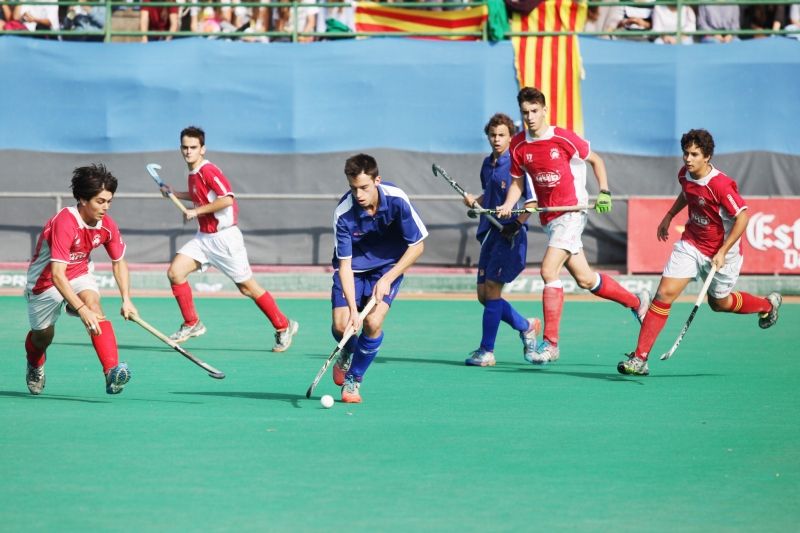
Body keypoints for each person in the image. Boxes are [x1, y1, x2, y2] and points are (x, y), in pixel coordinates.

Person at [497, 86, 650, 365]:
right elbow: (518, 182)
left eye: (534, 111)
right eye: (525, 112)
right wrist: (509, 204)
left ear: (545, 110)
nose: (530, 117)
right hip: (550, 218)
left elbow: (596, 160)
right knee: (586, 279)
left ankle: (551, 344)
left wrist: (604, 191)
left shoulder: (563, 137)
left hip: (572, 211)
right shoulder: (519, 145)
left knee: (548, 270)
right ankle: (637, 302)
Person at [618, 129, 782, 376]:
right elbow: (687, 193)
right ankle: (640, 359)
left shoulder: (721, 185)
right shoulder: (685, 174)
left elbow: (743, 218)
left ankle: (766, 305)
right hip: (692, 244)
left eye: (694, 154)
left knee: (719, 303)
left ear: (707, 157)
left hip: (722, 252)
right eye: (686, 153)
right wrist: (669, 215)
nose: (688, 159)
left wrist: (724, 251)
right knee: (663, 294)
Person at [158, 126, 298, 351]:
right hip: (204, 238)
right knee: (175, 272)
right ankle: (192, 323)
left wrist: (195, 212)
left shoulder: (208, 170)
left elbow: (227, 199)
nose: (188, 151)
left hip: (225, 239)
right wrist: (174, 193)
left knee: (247, 288)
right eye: (184, 147)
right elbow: (199, 196)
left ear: (202, 149)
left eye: (193, 147)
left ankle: (283, 325)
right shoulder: (193, 173)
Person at [24, 164, 137, 396]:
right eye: (100, 201)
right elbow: (57, 274)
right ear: (83, 199)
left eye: (109, 201)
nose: (106, 207)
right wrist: (80, 308)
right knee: (43, 337)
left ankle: (111, 373)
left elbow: (119, 262)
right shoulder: (65, 222)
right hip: (45, 282)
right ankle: (35, 363)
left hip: (79, 274)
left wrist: (126, 299)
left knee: (95, 308)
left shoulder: (107, 224)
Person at [330, 153, 427, 403]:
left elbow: (417, 246)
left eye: (364, 187)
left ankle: (354, 379)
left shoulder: (397, 200)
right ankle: (348, 352)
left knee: (372, 323)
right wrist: (352, 309)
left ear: (377, 180)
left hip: (388, 268)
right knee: (342, 327)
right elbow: (345, 264)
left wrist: (388, 278)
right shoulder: (343, 213)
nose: (359, 194)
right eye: (353, 189)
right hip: (353, 271)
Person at [460, 113, 541, 367]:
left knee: (493, 290)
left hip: (511, 235)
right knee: (484, 295)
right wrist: (477, 202)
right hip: (490, 233)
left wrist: (515, 224)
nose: (496, 139)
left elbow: (532, 203)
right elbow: (490, 195)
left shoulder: (518, 165)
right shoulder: (487, 164)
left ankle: (487, 351)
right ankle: (526, 326)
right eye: (492, 135)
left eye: (502, 135)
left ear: (511, 136)